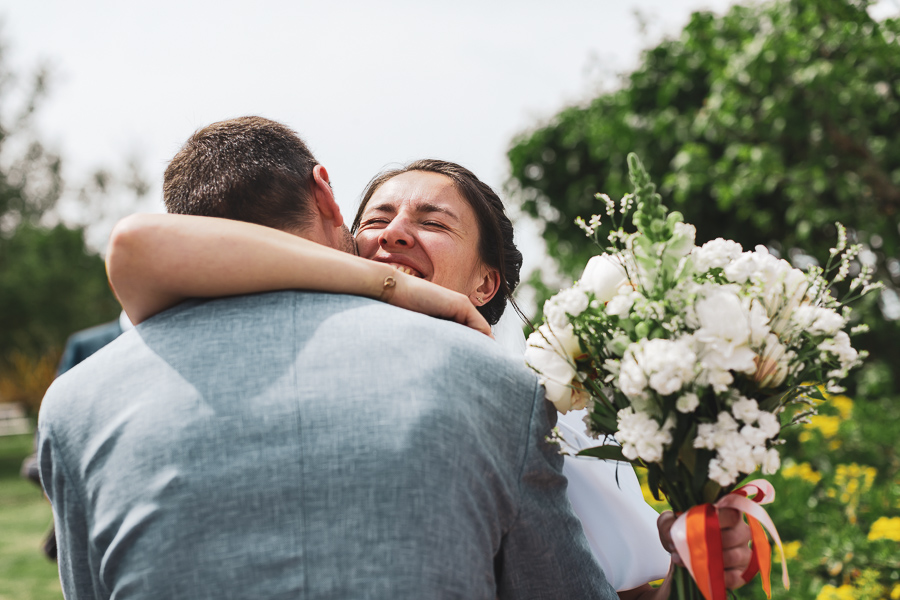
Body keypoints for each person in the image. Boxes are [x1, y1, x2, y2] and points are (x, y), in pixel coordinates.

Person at [105, 128, 753, 597]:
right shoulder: (313, 378)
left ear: (485, 285)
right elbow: (143, 244)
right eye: (376, 218)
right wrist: (398, 287)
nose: (393, 233)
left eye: (433, 223)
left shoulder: (545, 411)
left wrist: (686, 554)